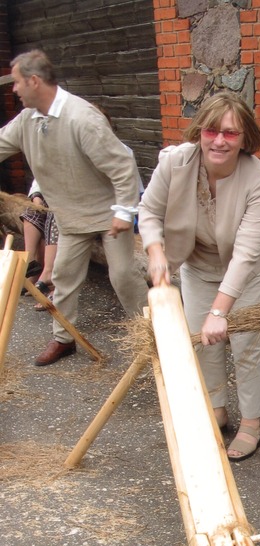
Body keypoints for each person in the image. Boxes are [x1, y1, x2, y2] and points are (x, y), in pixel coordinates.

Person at [138, 91, 260, 461]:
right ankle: (215, 407)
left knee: (246, 342)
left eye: (230, 134)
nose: (219, 140)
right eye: (212, 130)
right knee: (203, 339)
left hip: (249, 269)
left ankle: (252, 422)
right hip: (199, 261)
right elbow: (149, 211)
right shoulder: (175, 163)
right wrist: (156, 253)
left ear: (244, 138)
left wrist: (222, 311)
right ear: (199, 131)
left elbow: (246, 255)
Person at [0, 49, 148, 365]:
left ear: (34, 81)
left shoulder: (82, 118)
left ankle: (152, 335)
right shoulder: (27, 120)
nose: (13, 89)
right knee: (64, 276)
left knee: (123, 275)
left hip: (108, 215)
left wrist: (124, 212)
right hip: (70, 217)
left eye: (16, 83)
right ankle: (63, 338)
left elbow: (122, 166)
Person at [19, 178, 58, 308]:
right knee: (31, 212)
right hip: (55, 194)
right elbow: (39, 177)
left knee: (54, 216)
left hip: (76, 201)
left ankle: (50, 276)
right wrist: (36, 195)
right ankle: (31, 267)